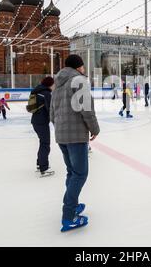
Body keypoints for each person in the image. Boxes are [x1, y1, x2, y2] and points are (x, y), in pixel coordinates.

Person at [50, 54, 100, 232]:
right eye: (83, 66)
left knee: (72, 173)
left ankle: (74, 204)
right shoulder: (79, 81)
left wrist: (60, 129)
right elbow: (87, 109)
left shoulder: (57, 84)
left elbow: (52, 112)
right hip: (76, 136)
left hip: (61, 136)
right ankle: (69, 215)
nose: (84, 69)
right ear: (78, 67)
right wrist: (94, 129)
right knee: (80, 174)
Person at [30, 77, 55, 177]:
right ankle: (43, 168)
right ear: (50, 84)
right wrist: (55, 122)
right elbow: (50, 110)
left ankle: (39, 164)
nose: (54, 86)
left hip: (35, 121)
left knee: (42, 143)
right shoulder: (46, 94)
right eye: (54, 84)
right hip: (42, 122)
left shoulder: (37, 91)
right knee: (45, 144)